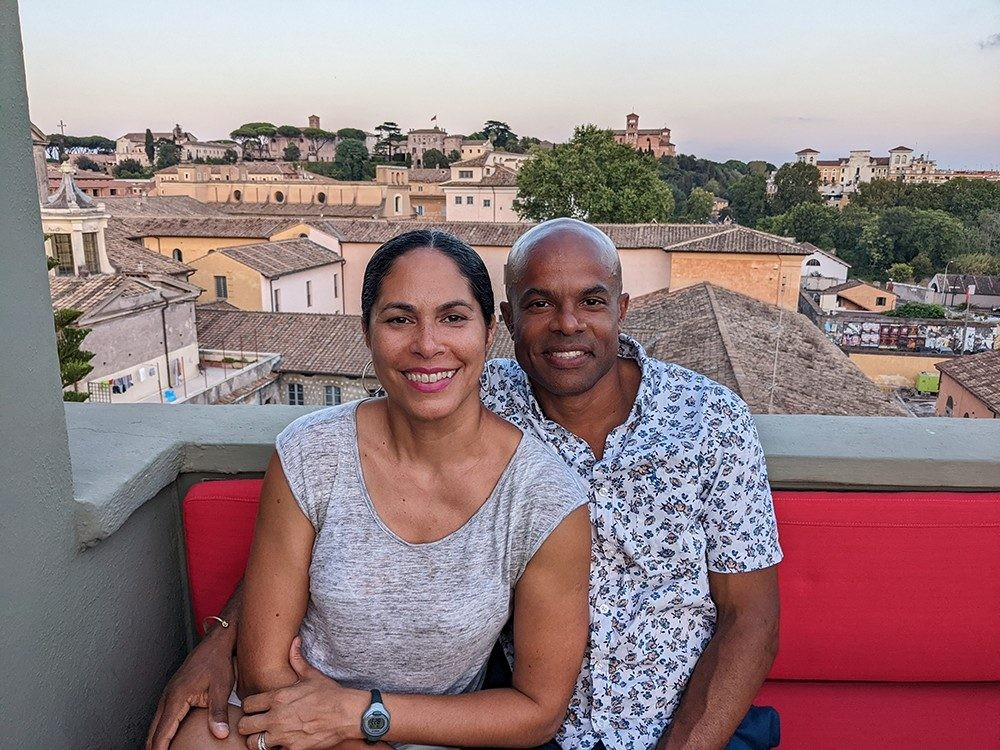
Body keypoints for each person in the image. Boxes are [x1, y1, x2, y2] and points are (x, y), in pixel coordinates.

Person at [150, 218, 782, 750]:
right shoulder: (468, 395)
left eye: (591, 301)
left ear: (623, 308)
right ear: (506, 320)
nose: (567, 325)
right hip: (522, 731)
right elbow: (332, 500)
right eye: (539, 304)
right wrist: (221, 640)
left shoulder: (708, 421)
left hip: (671, 726)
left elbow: (749, 617)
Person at [162, 230, 592, 750]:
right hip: (290, 716)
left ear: (489, 330)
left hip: (423, 734)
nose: (427, 344)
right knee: (192, 740)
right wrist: (333, 730)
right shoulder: (311, 453)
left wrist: (361, 718)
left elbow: (537, 711)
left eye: (454, 317)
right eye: (399, 319)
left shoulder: (545, 497)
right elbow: (262, 666)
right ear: (367, 332)